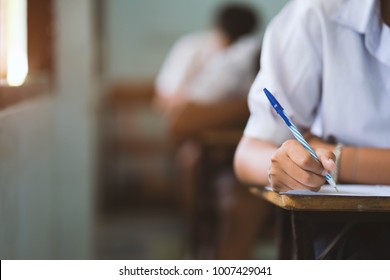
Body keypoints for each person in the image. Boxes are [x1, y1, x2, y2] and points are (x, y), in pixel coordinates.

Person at [234, 0, 390, 259]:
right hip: (350, 230)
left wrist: (340, 158)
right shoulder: (318, 13)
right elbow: (248, 153)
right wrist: (283, 166)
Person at [154, 3, 271, 259]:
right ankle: (199, 235)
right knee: (192, 160)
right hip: (205, 140)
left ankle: (215, 244)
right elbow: (169, 105)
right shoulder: (195, 48)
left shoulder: (247, 54)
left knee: (237, 195)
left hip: (237, 145)